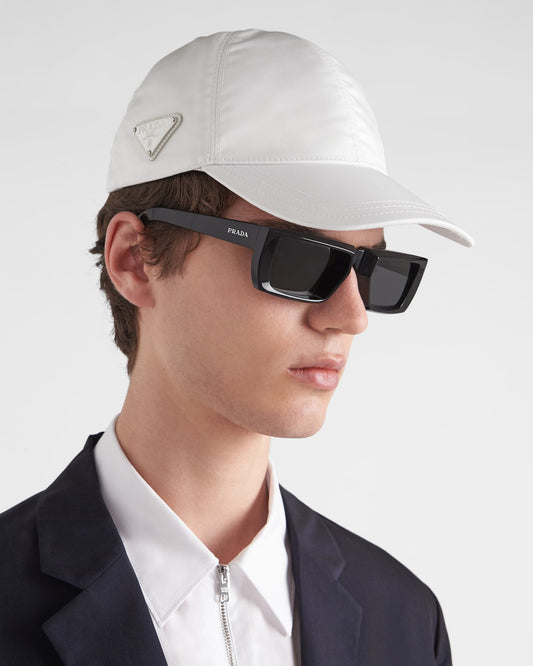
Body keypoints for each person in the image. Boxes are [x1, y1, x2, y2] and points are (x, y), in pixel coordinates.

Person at [0, 29, 473, 665]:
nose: (352, 317)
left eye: (374, 271)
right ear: (135, 259)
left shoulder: (406, 622)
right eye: (300, 259)